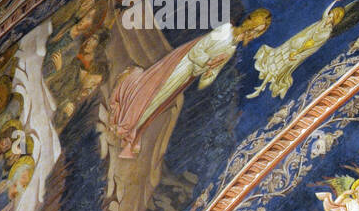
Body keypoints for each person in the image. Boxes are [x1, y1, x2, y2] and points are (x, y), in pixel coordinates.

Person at [104, 8, 272, 158]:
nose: (252, 33)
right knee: (155, 93)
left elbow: (211, 72)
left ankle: (132, 127)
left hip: (189, 74)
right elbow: (196, 51)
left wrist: (209, 72)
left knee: (159, 101)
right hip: (182, 65)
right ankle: (126, 122)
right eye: (255, 28)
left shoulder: (232, 47)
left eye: (258, 31)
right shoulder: (225, 31)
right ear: (250, 22)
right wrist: (207, 63)